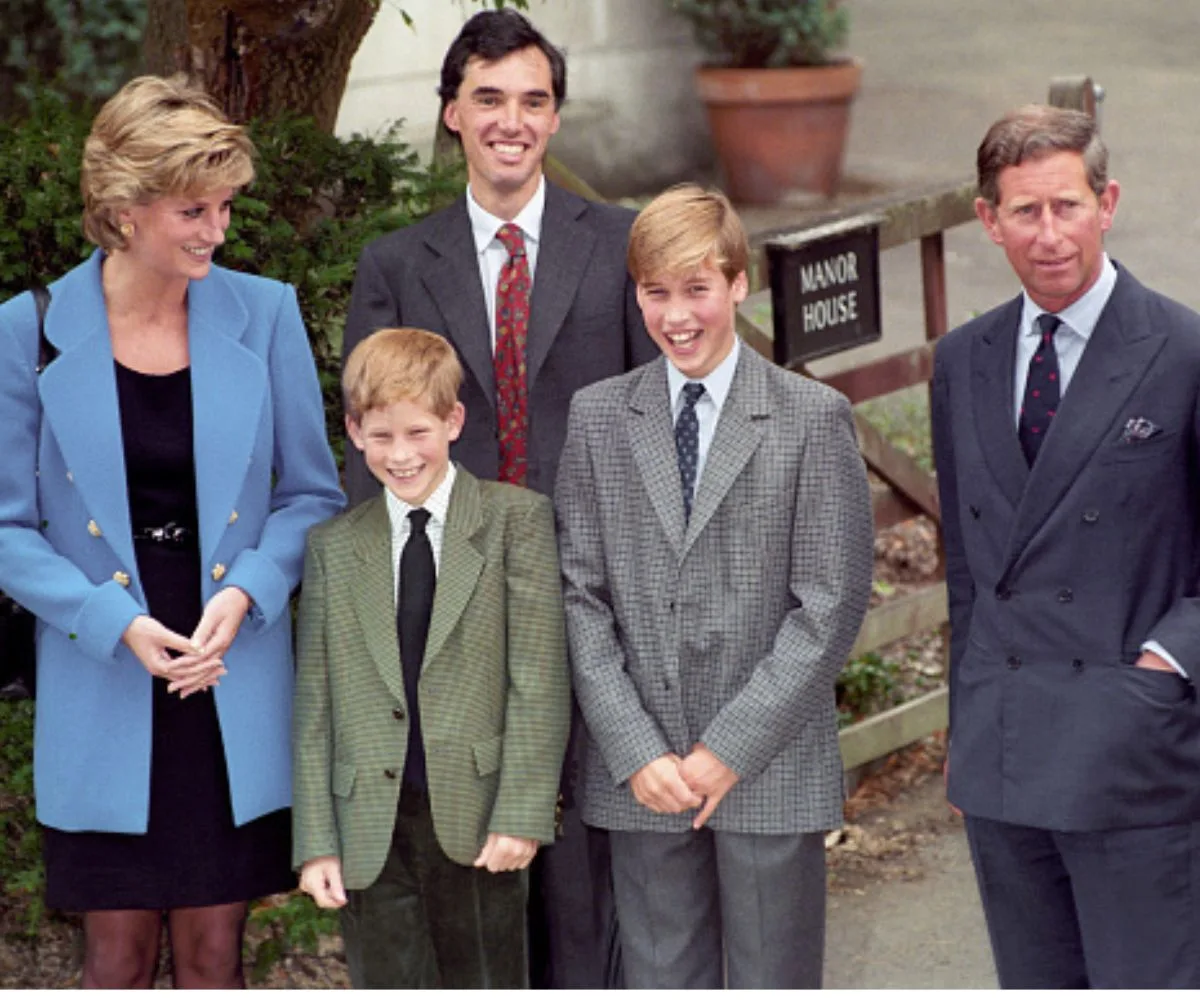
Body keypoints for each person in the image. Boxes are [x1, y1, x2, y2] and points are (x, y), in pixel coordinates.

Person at [0, 75, 344, 988]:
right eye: (194, 209)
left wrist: (249, 592)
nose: (217, 230)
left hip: (228, 670)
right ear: (124, 208)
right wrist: (112, 621)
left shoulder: (265, 312)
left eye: (225, 206)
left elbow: (312, 494)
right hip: (103, 669)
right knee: (113, 958)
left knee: (212, 956)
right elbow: (6, 527)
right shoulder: (26, 330)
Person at [341, 8, 658, 988]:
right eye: (488, 99)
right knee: (473, 859)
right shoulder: (399, 264)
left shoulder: (620, 243)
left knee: (586, 867)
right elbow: (366, 447)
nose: (510, 122)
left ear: (555, 116)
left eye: (532, 100)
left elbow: (653, 421)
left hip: (594, 589)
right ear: (452, 113)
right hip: (453, 605)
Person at [554, 184, 874, 989]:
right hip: (645, 776)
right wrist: (634, 748)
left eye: (697, 288)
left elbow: (829, 604)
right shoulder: (599, 418)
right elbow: (579, 596)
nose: (676, 315)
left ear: (738, 282)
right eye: (655, 292)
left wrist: (729, 748)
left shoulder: (811, 417)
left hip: (769, 764)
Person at [931, 104, 1200, 989]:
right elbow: (967, 569)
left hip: (1133, 752)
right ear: (988, 219)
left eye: (1067, 206)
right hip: (1005, 750)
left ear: (1107, 203)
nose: (1048, 235)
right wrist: (968, 715)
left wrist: (1165, 666)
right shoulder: (962, 360)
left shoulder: (1183, 351)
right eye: (1025, 211)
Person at [292, 326, 570, 988]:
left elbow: (538, 680)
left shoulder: (515, 521)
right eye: (381, 435)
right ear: (354, 432)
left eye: (418, 432)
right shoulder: (334, 547)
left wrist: (521, 812)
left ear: (453, 421)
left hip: (478, 818)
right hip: (369, 827)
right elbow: (314, 705)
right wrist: (316, 842)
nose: (401, 454)